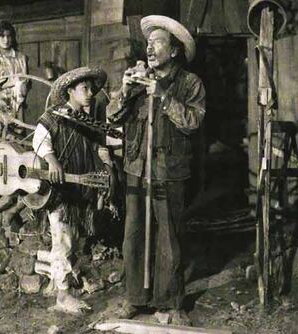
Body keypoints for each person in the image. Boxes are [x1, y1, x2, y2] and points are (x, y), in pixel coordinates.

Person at [107, 15, 206, 325]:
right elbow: (112, 118)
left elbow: (193, 121)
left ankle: (172, 301)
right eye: (148, 43)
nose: (150, 48)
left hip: (169, 170)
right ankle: (135, 298)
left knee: (169, 238)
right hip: (137, 168)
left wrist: (162, 95)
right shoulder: (137, 79)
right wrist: (124, 91)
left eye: (158, 42)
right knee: (133, 235)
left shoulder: (190, 83)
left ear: (174, 51)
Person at [32, 67, 114, 314]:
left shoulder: (88, 122)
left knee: (69, 241)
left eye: (91, 89)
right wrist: (52, 161)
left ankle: (57, 283)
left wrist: (108, 167)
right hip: (60, 193)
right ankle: (63, 296)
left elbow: (101, 147)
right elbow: (40, 139)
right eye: (84, 89)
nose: (90, 94)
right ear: (70, 91)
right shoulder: (55, 116)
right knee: (64, 242)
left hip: (80, 190)